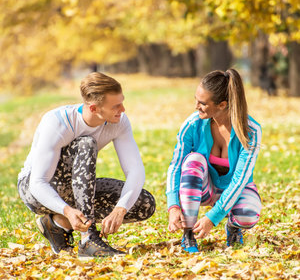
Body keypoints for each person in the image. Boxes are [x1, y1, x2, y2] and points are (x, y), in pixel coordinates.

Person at [18, 72, 155, 258]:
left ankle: (58, 224)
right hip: (36, 189)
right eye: (116, 106)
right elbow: (38, 182)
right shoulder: (58, 122)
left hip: (77, 188)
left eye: (122, 102)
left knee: (144, 203)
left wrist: (120, 209)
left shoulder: (119, 121)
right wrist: (66, 208)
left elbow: (135, 170)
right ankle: (87, 240)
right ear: (93, 108)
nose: (122, 109)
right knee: (86, 143)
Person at [167, 68, 262, 253]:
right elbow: (176, 165)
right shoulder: (192, 125)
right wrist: (173, 205)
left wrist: (213, 217)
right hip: (204, 189)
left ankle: (234, 228)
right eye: (196, 99)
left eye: (202, 103)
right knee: (193, 160)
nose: (196, 106)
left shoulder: (251, 131)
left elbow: (241, 179)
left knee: (249, 213)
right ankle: (188, 234)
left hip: (236, 191)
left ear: (222, 105)